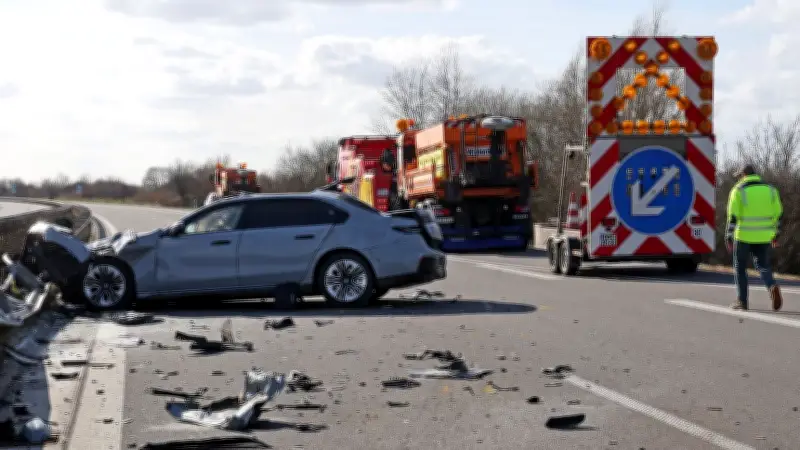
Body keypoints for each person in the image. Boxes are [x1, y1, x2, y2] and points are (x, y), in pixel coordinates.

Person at [725, 164, 783, 311]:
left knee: (740, 267)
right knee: (763, 265)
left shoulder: (738, 190)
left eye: (739, 176)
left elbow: (733, 217)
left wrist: (728, 236)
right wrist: (776, 234)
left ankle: (742, 301)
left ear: (744, 175)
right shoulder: (771, 190)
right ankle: (772, 285)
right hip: (764, 235)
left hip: (743, 235)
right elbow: (779, 214)